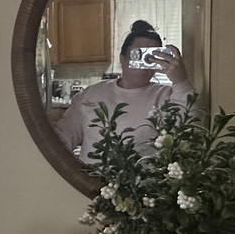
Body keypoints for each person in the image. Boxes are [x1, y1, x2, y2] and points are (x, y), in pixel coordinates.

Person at [56, 20, 202, 161]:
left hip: (140, 177)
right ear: (122, 58)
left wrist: (181, 82)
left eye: (151, 57)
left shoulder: (166, 96)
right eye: (137, 55)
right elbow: (62, 140)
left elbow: (190, 133)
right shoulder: (92, 94)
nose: (144, 62)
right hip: (86, 177)